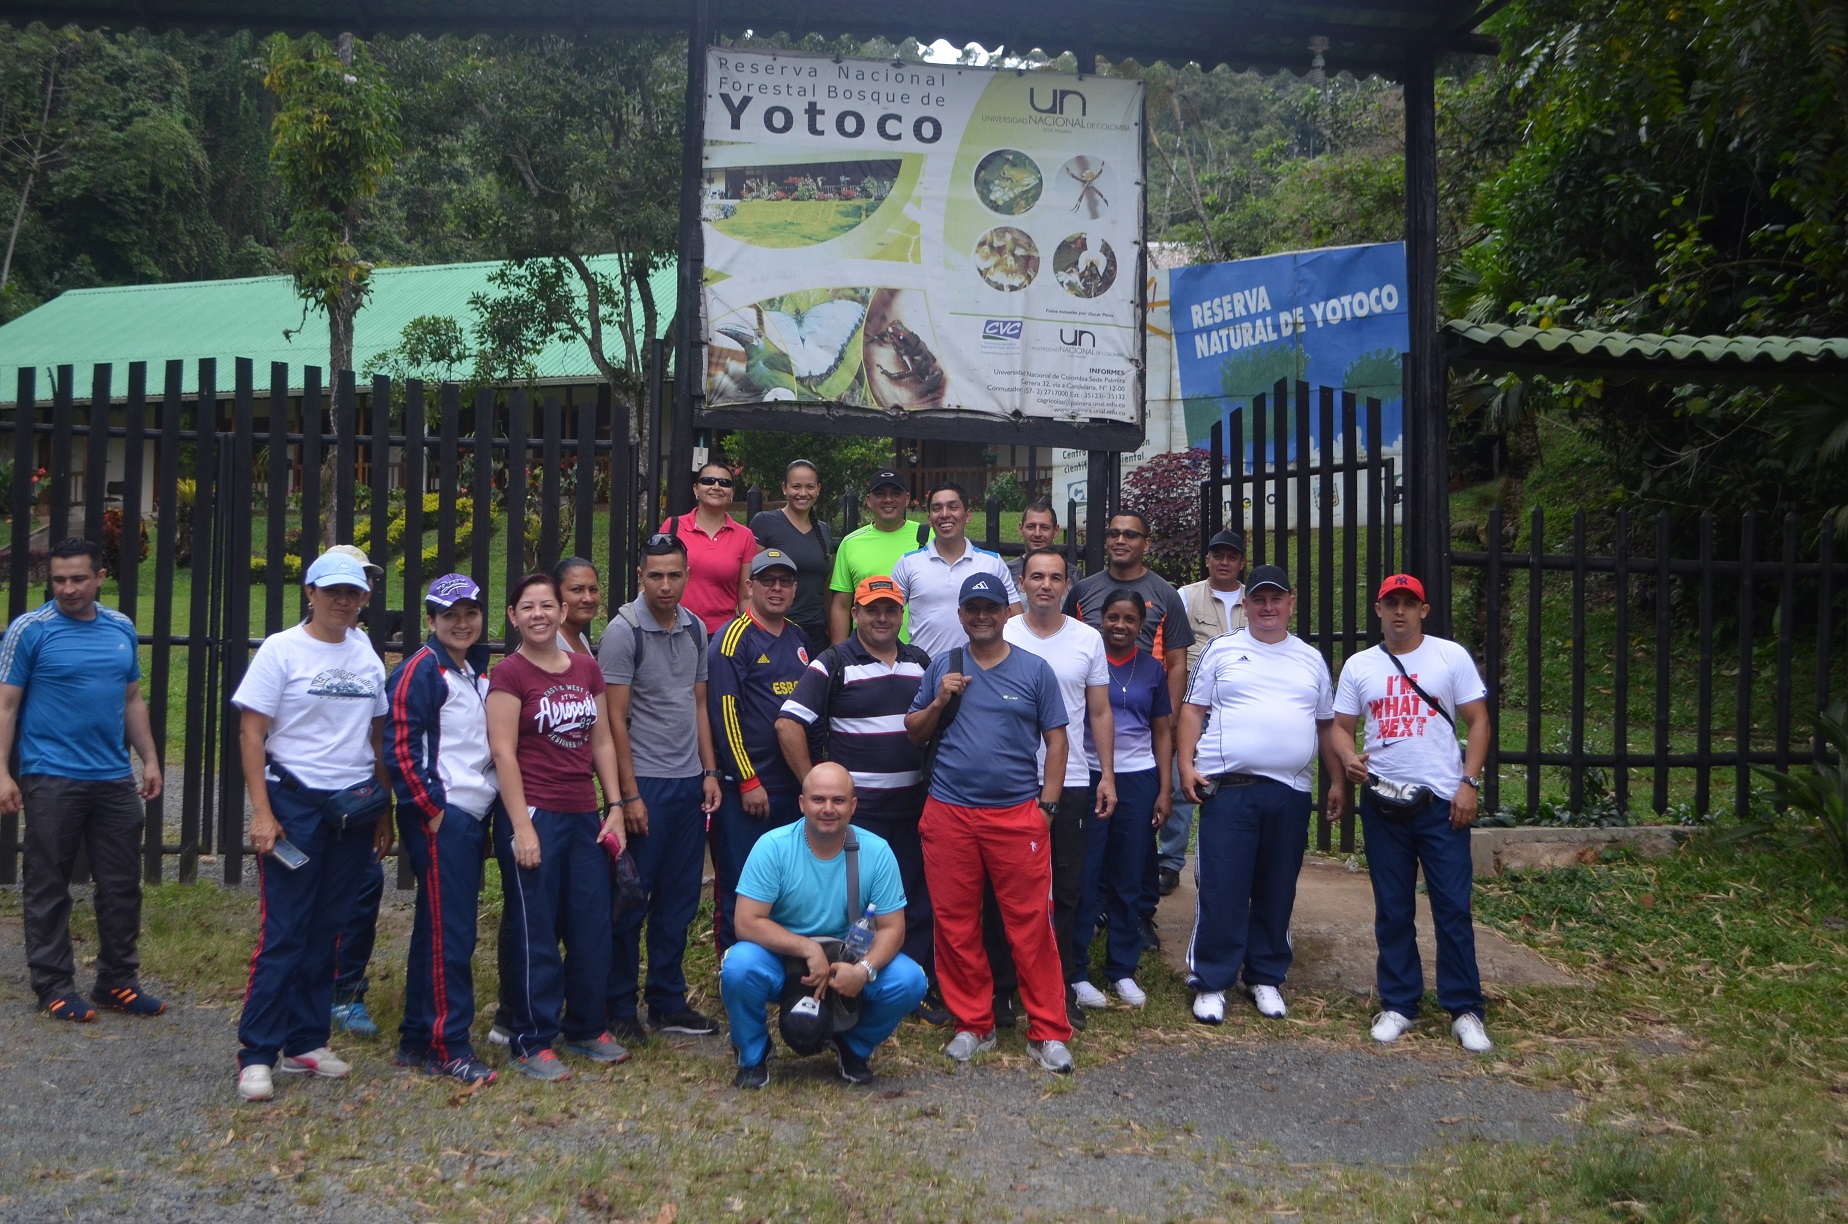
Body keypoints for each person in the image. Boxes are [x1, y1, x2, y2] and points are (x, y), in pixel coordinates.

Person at [230, 549, 392, 1103]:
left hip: (350, 808)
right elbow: (253, 733)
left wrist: (382, 807)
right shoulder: (281, 650)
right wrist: (262, 811)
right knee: (285, 930)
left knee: (328, 928)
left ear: (365, 599)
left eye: (353, 593)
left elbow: (375, 736)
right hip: (294, 801)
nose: (343, 601)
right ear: (311, 593)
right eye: (332, 592)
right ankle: (256, 1052)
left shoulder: (366, 651)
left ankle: (305, 1041)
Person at [906, 573, 1075, 1075]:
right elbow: (913, 733)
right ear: (961, 615)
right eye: (972, 608)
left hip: (1016, 815)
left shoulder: (1034, 670)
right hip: (949, 813)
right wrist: (939, 698)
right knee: (956, 924)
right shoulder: (942, 665)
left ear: (1008, 613)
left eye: (990, 608)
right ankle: (973, 1024)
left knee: (1031, 927)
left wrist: (1046, 809)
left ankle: (1046, 1030)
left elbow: (1058, 741)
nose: (981, 616)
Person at [0, 538, 164, 1023]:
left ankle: (117, 981)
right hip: (50, 776)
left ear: (99, 577)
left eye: (77, 578)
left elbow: (132, 699)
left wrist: (150, 759)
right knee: (48, 882)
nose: (67, 588)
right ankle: (53, 986)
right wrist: (2, 773)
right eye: (58, 580)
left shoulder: (120, 628)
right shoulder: (30, 631)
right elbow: (6, 705)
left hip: (112, 777)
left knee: (121, 883)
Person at [1330, 574, 1495, 1054]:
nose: (1399, 612)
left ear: (1424, 610)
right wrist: (1349, 757)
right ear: (1378, 610)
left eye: (1409, 603)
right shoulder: (1361, 666)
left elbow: (1479, 720)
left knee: (1452, 907)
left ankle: (1465, 1008)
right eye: (1391, 603)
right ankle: (1400, 1002)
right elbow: (1342, 727)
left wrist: (1469, 783)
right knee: (1394, 908)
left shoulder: (1449, 656)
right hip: (1383, 799)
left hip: (1442, 800)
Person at [1177, 564, 1342, 1026]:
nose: (1268, 607)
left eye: (1276, 599)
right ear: (1245, 604)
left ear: (1291, 602)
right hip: (1230, 789)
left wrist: (1337, 780)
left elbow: (1326, 724)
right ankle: (1211, 981)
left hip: (1290, 792)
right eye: (1259, 599)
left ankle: (1265, 976)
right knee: (1222, 887)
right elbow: (1192, 710)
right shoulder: (1221, 649)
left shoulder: (1310, 659)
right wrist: (1186, 765)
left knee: (1276, 887)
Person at [774, 575, 945, 1022]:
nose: (882, 618)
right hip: (859, 817)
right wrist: (816, 786)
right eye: (872, 609)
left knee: (913, 901)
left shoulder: (919, 662)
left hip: (911, 808)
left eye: (891, 609)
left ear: (902, 613)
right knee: (859, 909)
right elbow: (788, 724)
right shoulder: (833, 663)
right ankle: (851, 986)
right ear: (855, 614)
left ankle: (915, 985)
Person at [487, 572, 630, 1081]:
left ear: (562, 611)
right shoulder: (509, 675)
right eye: (528, 607)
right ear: (513, 617)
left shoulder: (587, 669)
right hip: (535, 813)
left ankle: (587, 1026)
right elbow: (503, 752)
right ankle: (531, 1038)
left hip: (581, 814)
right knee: (536, 930)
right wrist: (522, 826)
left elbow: (602, 743)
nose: (539, 614)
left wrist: (614, 805)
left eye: (547, 605)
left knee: (592, 924)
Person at [721, 762, 927, 1088]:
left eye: (838, 800)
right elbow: (746, 922)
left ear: (853, 806)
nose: (828, 809)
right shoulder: (773, 847)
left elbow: (893, 929)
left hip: (847, 960)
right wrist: (807, 947)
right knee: (739, 965)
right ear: (802, 803)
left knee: (910, 980)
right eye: (818, 800)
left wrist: (863, 970)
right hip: (783, 958)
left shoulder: (877, 852)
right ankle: (753, 1053)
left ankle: (852, 1047)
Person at [600, 533, 724, 1044]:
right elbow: (614, 718)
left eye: (675, 575)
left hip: (688, 783)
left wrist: (710, 771)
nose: (666, 585)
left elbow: (699, 705)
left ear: (687, 575)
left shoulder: (696, 629)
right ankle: (618, 1004)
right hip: (645, 783)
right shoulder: (623, 631)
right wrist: (628, 796)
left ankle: (668, 1000)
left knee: (678, 900)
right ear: (640, 575)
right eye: (656, 575)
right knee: (631, 899)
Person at [381, 573, 499, 1085]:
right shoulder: (420, 671)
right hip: (443, 819)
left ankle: (416, 1037)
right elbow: (400, 747)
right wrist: (432, 810)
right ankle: (449, 1044)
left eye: (470, 613)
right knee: (453, 933)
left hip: (467, 817)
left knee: (437, 927)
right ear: (431, 620)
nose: (462, 622)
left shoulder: (470, 671)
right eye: (450, 615)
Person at [1064, 509, 1192, 953]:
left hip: (1143, 724)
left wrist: (1169, 721)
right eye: (1114, 533)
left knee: (1138, 838)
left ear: (1145, 542)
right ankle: (1095, 913)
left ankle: (1140, 916)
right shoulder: (1083, 591)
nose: (1121, 541)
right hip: (1090, 737)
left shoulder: (1165, 595)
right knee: (1091, 838)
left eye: (1131, 535)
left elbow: (1176, 662)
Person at [1001, 547, 1115, 1029]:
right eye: (1036, 577)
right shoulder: (1004, 632)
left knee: (1066, 889)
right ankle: (1004, 988)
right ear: (1022, 584)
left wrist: (1105, 773)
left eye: (1054, 577)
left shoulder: (1087, 639)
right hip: (1010, 782)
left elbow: (1099, 712)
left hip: (1068, 780)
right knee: (1006, 891)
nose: (1045, 585)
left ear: (1067, 585)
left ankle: (1060, 985)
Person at [1070, 589, 1172, 1013]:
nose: (1120, 626)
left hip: (1139, 777)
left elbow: (1162, 730)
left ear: (1141, 625)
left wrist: (1165, 789)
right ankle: (1076, 972)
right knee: (1086, 874)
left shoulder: (1152, 669)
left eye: (1129, 619)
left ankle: (1122, 968)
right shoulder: (1089, 660)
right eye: (1112, 617)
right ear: (1101, 620)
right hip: (1090, 774)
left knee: (1130, 874)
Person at [708, 549, 812, 951]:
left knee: (787, 881)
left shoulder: (800, 637)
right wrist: (748, 779)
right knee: (740, 878)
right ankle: (732, 963)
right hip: (748, 790)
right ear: (749, 586)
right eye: (767, 580)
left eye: (785, 581)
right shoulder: (733, 638)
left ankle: (780, 960)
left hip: (791, 788)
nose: (776, 588)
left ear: (794, 588)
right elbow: (725, 714)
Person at [1155, 529, 1248, 898]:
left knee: (1237, 785)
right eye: (1217, 555)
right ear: (1207, 560)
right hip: (1195, 703)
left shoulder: (1255, 599)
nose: (1224, 562)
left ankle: (1232, 859)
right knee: (1180, 784)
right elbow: (1173, 652)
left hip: (1240, 708)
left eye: (1232, 556)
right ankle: (1169, 861)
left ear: (1241, 562)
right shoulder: (1185, 597)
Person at [327, 541, 387, 1040]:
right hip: (308, 796)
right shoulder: (294, 645)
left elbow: (377, 728)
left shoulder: (363, 646)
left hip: (358, 793)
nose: (352, 593)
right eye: (341, 585)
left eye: (361, 582)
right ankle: (308, 987)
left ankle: (345, 991)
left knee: (364, 891)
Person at [891, 482, 1020, 660]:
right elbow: (888, 615)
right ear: (929, 518)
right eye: (937, 508)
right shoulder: (908, 563)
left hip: (982, 671)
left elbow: (1015, 619)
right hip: (923, 671)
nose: (944, 514)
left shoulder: (992, 563)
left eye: (953, 507)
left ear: (967, 516)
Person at [662, 461, 756, 636]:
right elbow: (653, 578)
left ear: (732, 493)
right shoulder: (673, 526)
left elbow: (745, 597)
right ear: (696, 489)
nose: (716, 486)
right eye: (708, 481)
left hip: (722, 635)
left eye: (724, 483)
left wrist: (751, 636)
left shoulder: (744, 536)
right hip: (674, 630)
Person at [750, 459, 834, 656]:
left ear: (818, 489)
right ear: (784, 488)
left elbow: (826, 586)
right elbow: (751, 578)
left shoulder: (823, 530)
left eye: (809, 487)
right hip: (775, 628)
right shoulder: (764, 522)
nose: (803, 493)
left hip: (816, 631)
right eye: (796, 486)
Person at [827, 468, 917, 644]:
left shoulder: (929, 538)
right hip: (865, 653)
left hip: (920, 650)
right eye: (880, 493)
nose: (888, 499)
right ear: (869, 500)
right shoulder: (851, 543)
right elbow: (841, 606)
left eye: (895, 493)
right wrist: (839, 656)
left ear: (906, 499)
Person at [1005, 500, 1079, 588]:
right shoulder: (1006, 572)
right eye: (1031, 527)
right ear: (1021, 529)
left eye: (1044, 528)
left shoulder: (1073, 574)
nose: (1037, 534)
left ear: (1056, 531)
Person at [554, 556, 603, 656]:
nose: (588, 598)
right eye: (577, 590)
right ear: (556, 593)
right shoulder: (547, 644)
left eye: (593, 590)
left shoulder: (581, 638)